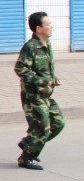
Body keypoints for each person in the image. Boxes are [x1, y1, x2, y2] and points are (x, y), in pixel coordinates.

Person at [14, 11, 65, 170]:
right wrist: (41, 81)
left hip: (46, 95)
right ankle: (26, 158)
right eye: (48, 24)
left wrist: (54, 78)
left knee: (58, 123)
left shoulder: (47, 44)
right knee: (42, 128)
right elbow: (20, 69)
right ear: (38, 29)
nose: (51, 27)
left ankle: (29, 143)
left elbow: (46, 69)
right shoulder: (31, 47)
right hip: (33, 96)